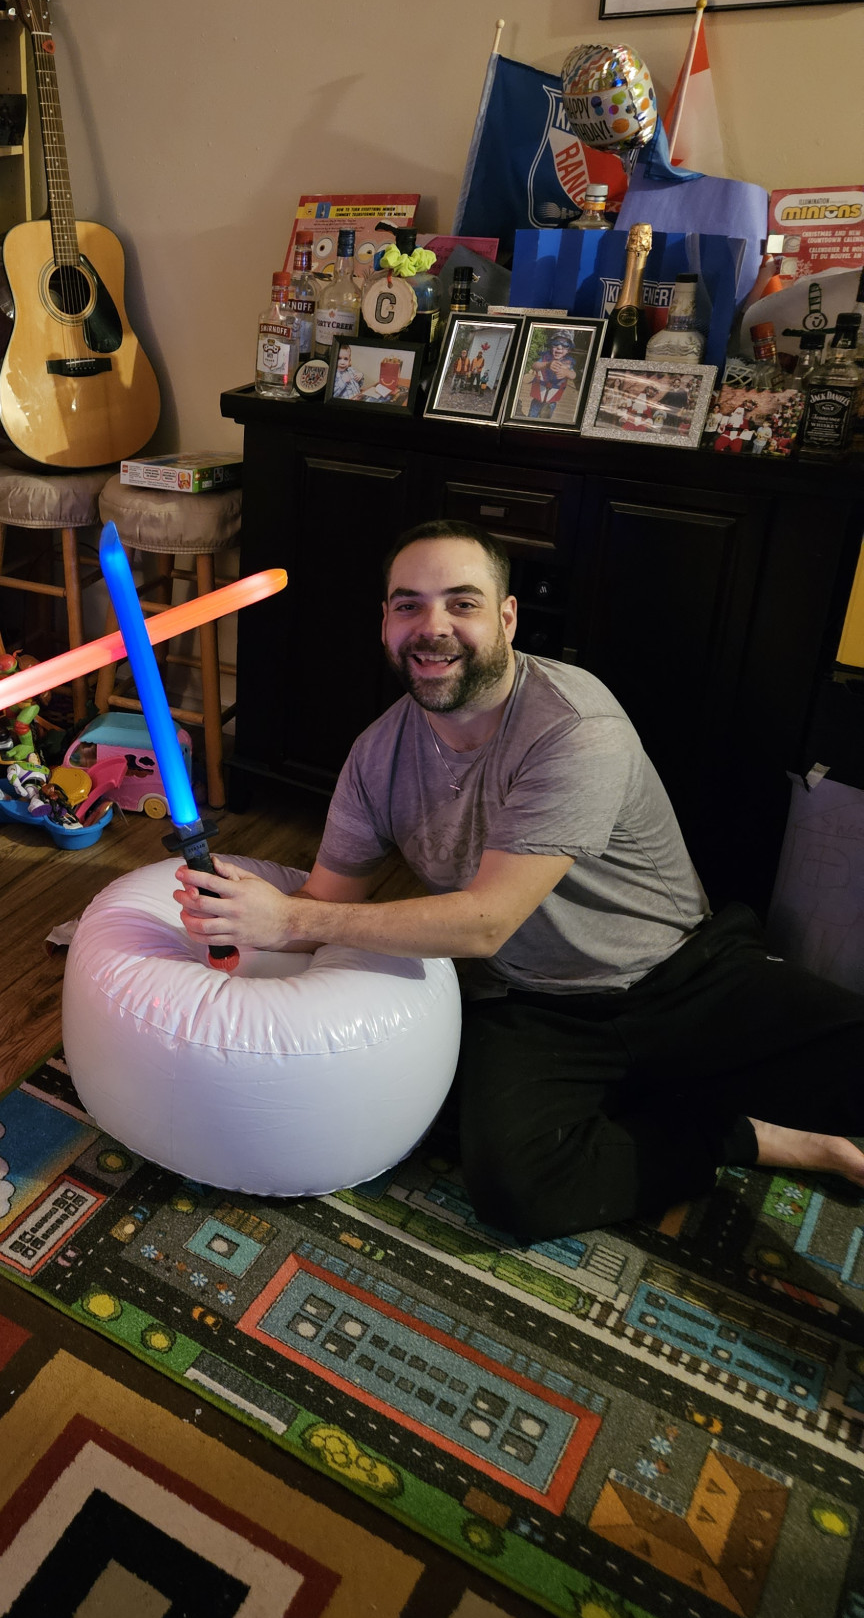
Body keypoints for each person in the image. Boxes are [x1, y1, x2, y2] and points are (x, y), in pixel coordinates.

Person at [174, 518, 864, 1242]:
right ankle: (743, 1135)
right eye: (409, 605)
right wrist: (235, 908)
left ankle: (685, 1092)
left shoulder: (572, 723)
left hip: (681, 973)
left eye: (462, 603)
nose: (432, 627)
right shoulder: (376, 755)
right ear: (384, 624)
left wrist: (289, 919)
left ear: (507, 618)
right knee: (516, 1189)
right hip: (532, 1001)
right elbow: (326, 903)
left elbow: (485, 921)